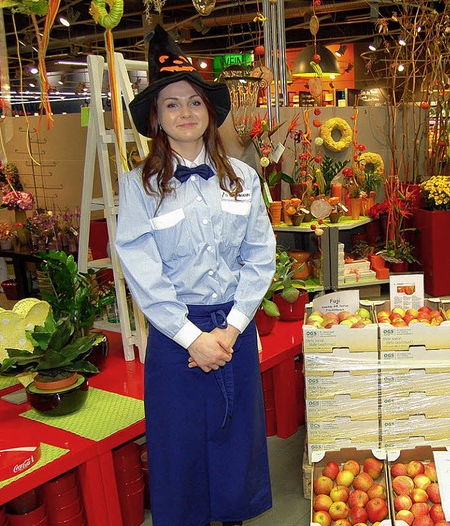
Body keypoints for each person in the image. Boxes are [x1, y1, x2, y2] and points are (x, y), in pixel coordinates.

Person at [115, 24, 275, 526]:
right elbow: (141, 269)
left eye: (194, 102)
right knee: (178, 444)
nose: (185, 112)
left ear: (209, 114)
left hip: (234, 327)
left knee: (236, 441)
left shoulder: (243, 178)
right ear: (157, 120)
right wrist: (192, 339)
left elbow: (261, 255)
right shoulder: (139, 186)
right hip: (174, 335)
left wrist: (230, 329)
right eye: (171, 104)